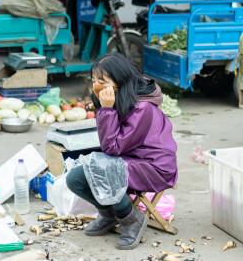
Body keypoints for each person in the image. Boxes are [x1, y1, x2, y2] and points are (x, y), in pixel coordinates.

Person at [66, 53, 178, 250]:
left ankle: (131, 219)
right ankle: (109, 214)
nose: (96, 86)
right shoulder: (123, 98)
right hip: (129, 162)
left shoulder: (142, 108)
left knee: (104, 168)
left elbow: (112, 147)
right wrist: (106, 109)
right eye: (93, 80)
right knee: (75, 179)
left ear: (120, 80)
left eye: (102, 81)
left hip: (155, 168)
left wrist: (107, 110)